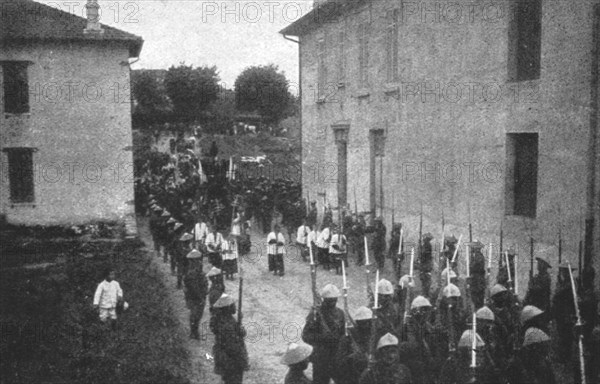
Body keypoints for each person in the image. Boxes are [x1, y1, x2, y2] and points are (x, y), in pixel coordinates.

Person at [302, 283, 345, 384]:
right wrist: (322, 338)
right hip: (321, 358)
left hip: (337, 357)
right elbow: (305, 335)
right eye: (329, 301)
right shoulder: (316, 314)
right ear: (324, 300)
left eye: (334, 300)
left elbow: (344, 333)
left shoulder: (340, 313)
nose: (332, 303)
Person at [210, 294, 249, 384]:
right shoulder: (226, 324)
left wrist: (240, 323)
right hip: (231, 361)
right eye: (233, 305)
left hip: (226, 359)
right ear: (227, 308)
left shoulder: (225, 319)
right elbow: (233, 345)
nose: (235, 307)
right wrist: (241, 360)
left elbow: (241, 333)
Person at [335, 306, 373, 384]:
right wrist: (353, 358)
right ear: (358, 323)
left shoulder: (374, 336)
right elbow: (340, 362)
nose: (367, 325)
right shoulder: (348, 338)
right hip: (353, 376)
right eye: (363, 322)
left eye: (369, 322)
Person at [183, 249, 208, 340]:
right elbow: (193, 287)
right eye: (196, 260)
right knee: (194, 314)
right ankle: (194, 332)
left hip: (199, 295)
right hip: (193, 296)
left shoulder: (198, 268)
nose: (198, 261)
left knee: (198, 314)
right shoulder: (190, 272)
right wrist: (201, 297)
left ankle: (194, 331)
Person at [419, 233, 434, 298]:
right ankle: (425, 291)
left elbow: (423, 254)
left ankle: (426, 292)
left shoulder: (427, 245)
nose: (423, 239)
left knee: (425, 278)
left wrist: (420, 248)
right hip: (426, 264)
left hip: (426, 264)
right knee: (424, 278)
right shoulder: (426, 245)